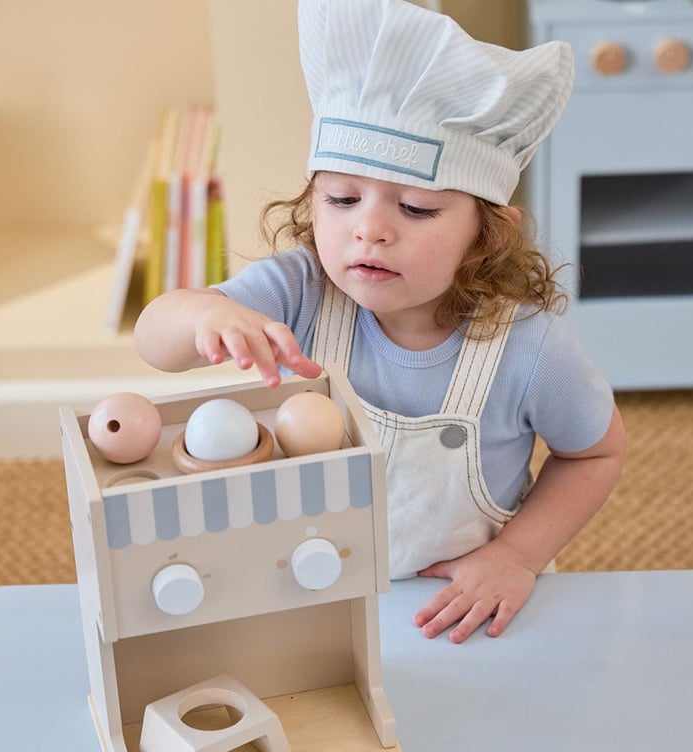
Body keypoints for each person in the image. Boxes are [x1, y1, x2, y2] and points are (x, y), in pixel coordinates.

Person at [135, 0, 626, 643]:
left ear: (489, 233)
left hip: (455, 611)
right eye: (341, 199)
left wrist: (517, 556)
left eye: (417, 208)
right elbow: (155, 339)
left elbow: (596, 453)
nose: (369, 229)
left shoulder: (528, 347)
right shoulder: (300, 288)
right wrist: (207, 313)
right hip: (308, 597)